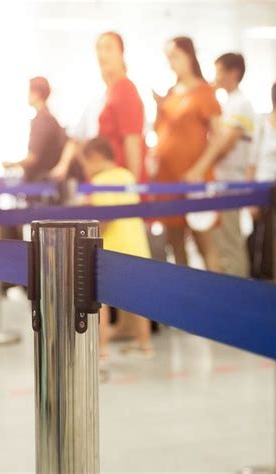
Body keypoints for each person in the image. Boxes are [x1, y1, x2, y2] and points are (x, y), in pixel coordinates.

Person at [81, 137, 153, 368]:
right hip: (137, 245)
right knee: (140, 300)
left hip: (111, 249)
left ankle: (101, 351)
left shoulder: (99, 181)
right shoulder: (126, 175)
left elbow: (106, 217)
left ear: (95, 157)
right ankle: (145, 346)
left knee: (100, 302)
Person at [153, 36, 223, 272]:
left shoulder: (204, 92)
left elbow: (219, 136)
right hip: (168, 180)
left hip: (194, 180)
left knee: (205, 244)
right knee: (176, 245)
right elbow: (161, 133)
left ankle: (218, 301)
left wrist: (199, 169)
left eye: (175, 56)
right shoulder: (171, 94)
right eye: (168, 58)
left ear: (189, 56)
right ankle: (185, 300)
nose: (171, 63)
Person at [51, 32, 147, 184]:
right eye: (99, 49)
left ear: (121, 53)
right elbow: (77, 140)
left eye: (108, 48)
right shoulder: (103, 98)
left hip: (119, 185)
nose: (102, 54)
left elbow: (132, 141)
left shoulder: (125, 90)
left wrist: (132, 188)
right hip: (104, 183)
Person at [211, 53, 255, 277]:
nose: (216, 77)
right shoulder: (228, 103)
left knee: (230, 241)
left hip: (231, 182)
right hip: (221, 182)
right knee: (222, 242)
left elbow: (225, 144)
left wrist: (200, 166)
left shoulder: (241, 104)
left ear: (233, 73)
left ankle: (239, 294)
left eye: (219, 71)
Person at [4, 76, 67, 182]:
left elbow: (33, 158)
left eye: (29, 91)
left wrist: (11, 164)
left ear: (36, 93)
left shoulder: (42, 120)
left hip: (42, 184)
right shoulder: (49, 118)